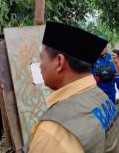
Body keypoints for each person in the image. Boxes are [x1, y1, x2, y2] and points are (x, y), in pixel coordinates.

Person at [29, 22, 119, 153]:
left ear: (59, 62)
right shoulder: (102, 98)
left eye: (42, 58)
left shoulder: (52, 134)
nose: (40, 66)